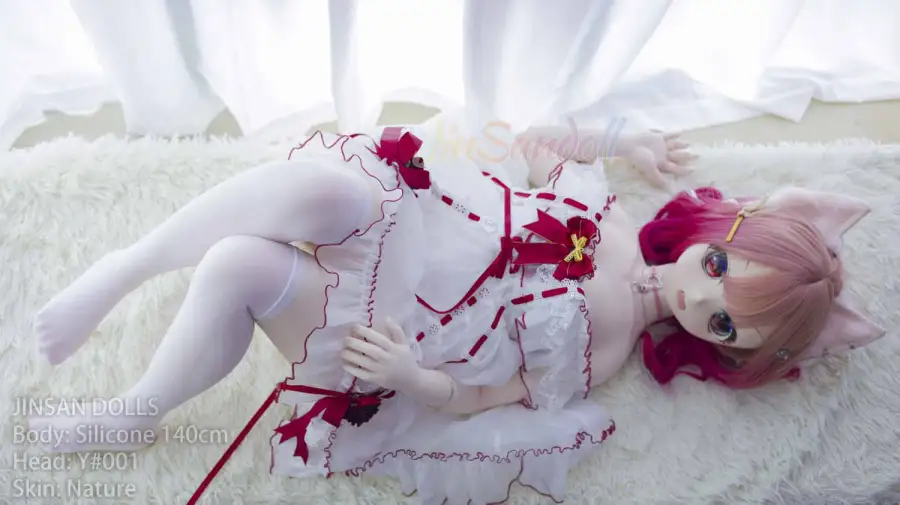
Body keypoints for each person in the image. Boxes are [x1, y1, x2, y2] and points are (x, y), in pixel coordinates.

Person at [29, 120, 884, 504]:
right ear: (716, 231)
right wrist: (622, 137)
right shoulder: (609, 212)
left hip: (393, 331)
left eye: (723, 322)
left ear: (723, 350)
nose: (699, 297)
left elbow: (484, 397)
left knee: (235, 265)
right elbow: (540, 143)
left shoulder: (608, 351)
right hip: (415, 226)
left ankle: (135, 412)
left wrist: (409, 376)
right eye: (719, 268)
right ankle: (124, 268)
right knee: (328, 186)